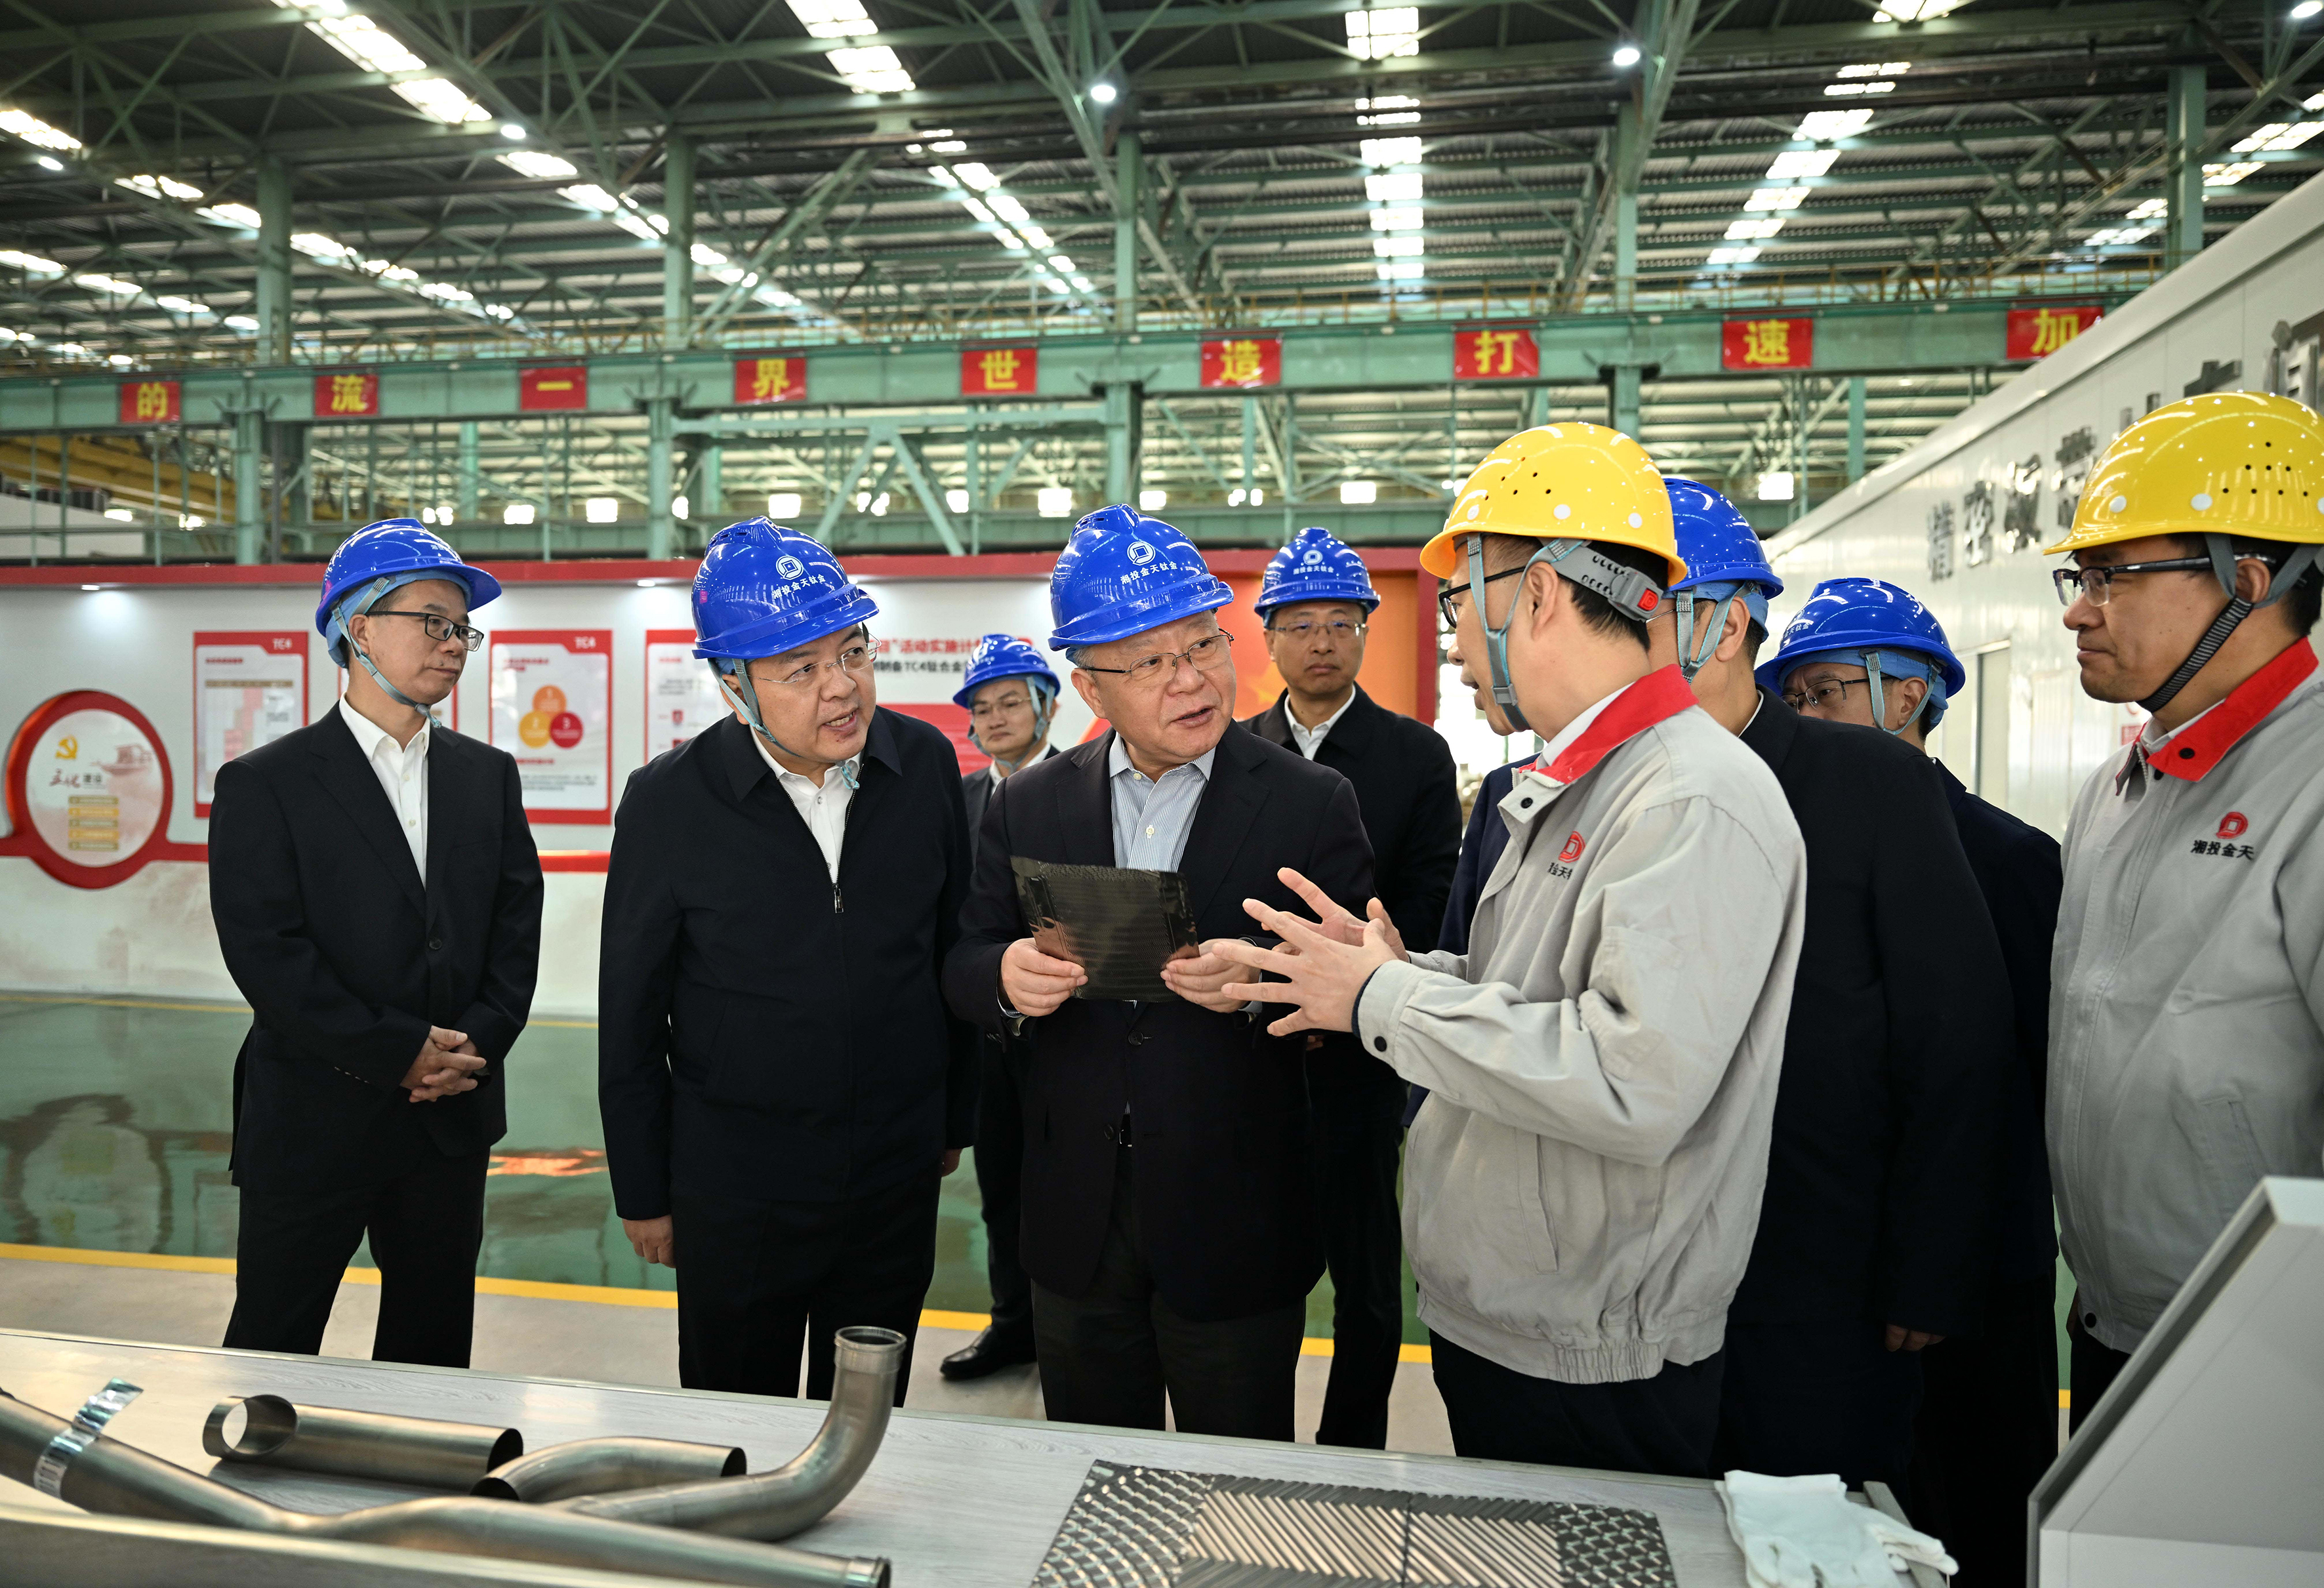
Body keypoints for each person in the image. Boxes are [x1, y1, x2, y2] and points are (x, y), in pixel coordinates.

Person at [1212, 425, 1808, 1480]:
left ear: (1534, 594)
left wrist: (1382, 999)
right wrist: (1391, 970)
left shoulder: (1687, 797)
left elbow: (1630, 1079)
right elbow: (1529, 997)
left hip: (1592, 1355)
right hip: (1522, 1317)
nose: (1450, 641)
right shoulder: (1582, 780)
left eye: (1456, 602)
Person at [941, 504, 1376, 1441]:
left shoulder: (1310, 802)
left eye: (1203, 645)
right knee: (1087, 1475)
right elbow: (966, 956)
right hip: (1075, 1216)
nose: (1191, 679)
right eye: (1148, 662)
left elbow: (1358, 995)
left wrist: (1262, 986)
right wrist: (1006, 978)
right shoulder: (1028, 805)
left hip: (1235, 1214)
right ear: (1089, 690)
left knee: (1239, 1482)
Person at [1627, 479, 2014, 1499]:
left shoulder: (1870, 783)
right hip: (1640, 1276)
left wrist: (1929, 1265)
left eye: (1643, 611)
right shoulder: (1615, 784)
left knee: (1815, 1527)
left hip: (1817, 1277)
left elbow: (1955, 1032)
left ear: (1724, 625)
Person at [598, 518, 977, 1402]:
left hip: (892, 1175)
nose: (840, 688)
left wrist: (950, 1122)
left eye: (852, 653)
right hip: (738, 1187)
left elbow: (950, 948)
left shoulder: (923, 764)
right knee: (740, 1417)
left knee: (867, 1413)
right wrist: (644, 1191)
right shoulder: (668, 804)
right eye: (799, 670)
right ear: (733, 686)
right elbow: (631, 1015)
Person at [1770, 576, 2062, 1587]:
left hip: (1973, 1272)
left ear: (1908, 694)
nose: (1806, 719)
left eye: (1825, 692)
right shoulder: (1786, 847)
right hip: (1843, 1266)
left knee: (1975, 1508)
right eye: (1792, 700)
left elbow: (2004, 1080)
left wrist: (1940, 1262)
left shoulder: (2009, 859)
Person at [2043, 390, 2324, 1431]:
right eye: (2079, 578)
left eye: (2111, 577)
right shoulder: (2116, 790)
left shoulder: (2310, 786)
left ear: (2246, 582)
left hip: (2270, 1353)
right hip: (2113, 1323)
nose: (2077, 611)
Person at [208, 518, 542, 1368]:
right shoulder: (265, 783)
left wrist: (471, 1048)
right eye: (432, 621)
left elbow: (516, 932)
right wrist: (398, 1052)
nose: (455, 644)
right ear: (358, 629)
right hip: (313, 1117)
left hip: (449, 1120)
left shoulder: (488, 776)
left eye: (462, 627)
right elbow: (268, 955)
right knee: (272, 1347)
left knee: (433, 1353)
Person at [1239, 525, 1461, 1449]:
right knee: (1255, 1268)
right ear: (1268, 637)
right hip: (1250, 1052)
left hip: (1364, 1057)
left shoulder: (1415, 756)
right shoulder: (1232, 750)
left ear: (1367, 632)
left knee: (1367, 1277)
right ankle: (1253, 1441)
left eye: (1341, 623)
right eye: (1300, 624)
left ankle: (1352, 1449)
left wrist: (1357, 982)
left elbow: (1430, 902)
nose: (1321, 642)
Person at [943, 632, 1063, 1383]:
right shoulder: (956, 802)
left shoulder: (1086, 786)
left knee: (1073, 1189)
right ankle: (1013, 1326)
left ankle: (1073, 1331)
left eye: (1010, 702)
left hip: (1073, 1030)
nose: (994, 717)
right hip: (987, 1034)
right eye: (981, 707)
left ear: (1048, 706)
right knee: (1000, 1189)